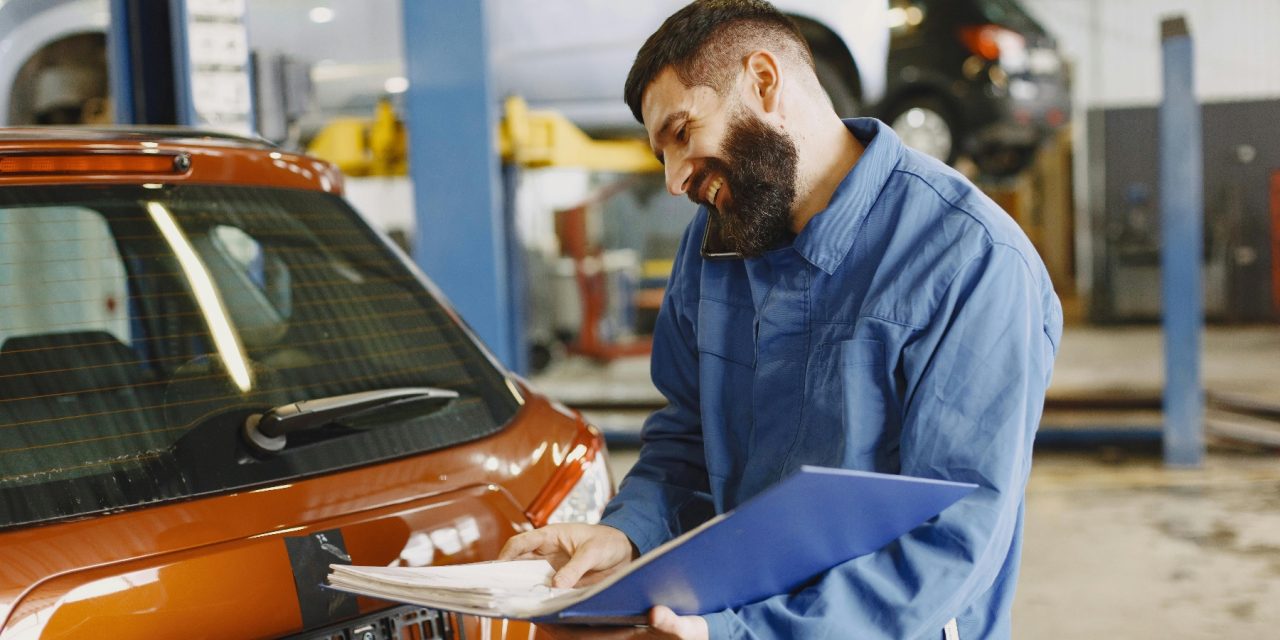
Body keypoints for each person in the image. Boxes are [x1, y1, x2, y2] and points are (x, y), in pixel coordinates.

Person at [500, 1, 1062, 638]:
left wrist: (749, 634)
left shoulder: (969, 259)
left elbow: (951, 540)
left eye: (682, 132)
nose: (674, 179)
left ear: (764, 82)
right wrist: (626, 534)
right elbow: (687, 438)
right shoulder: (715, 245)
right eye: (661, 153)